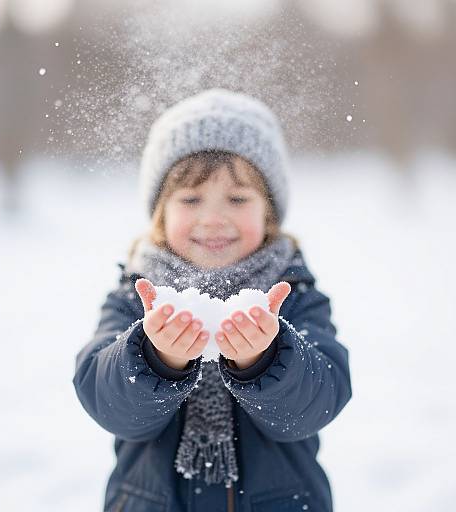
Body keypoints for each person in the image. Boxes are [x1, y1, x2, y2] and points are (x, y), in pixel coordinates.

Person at [73, 88, 352, 512]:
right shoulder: (136, 295)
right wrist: (156, 359)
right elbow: (110, 406)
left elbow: (316, 404)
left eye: (238, 199)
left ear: (269, 213)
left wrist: (265, 359)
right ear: (160, 214)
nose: (213, 218)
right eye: (190, 199)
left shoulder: (293, 295)